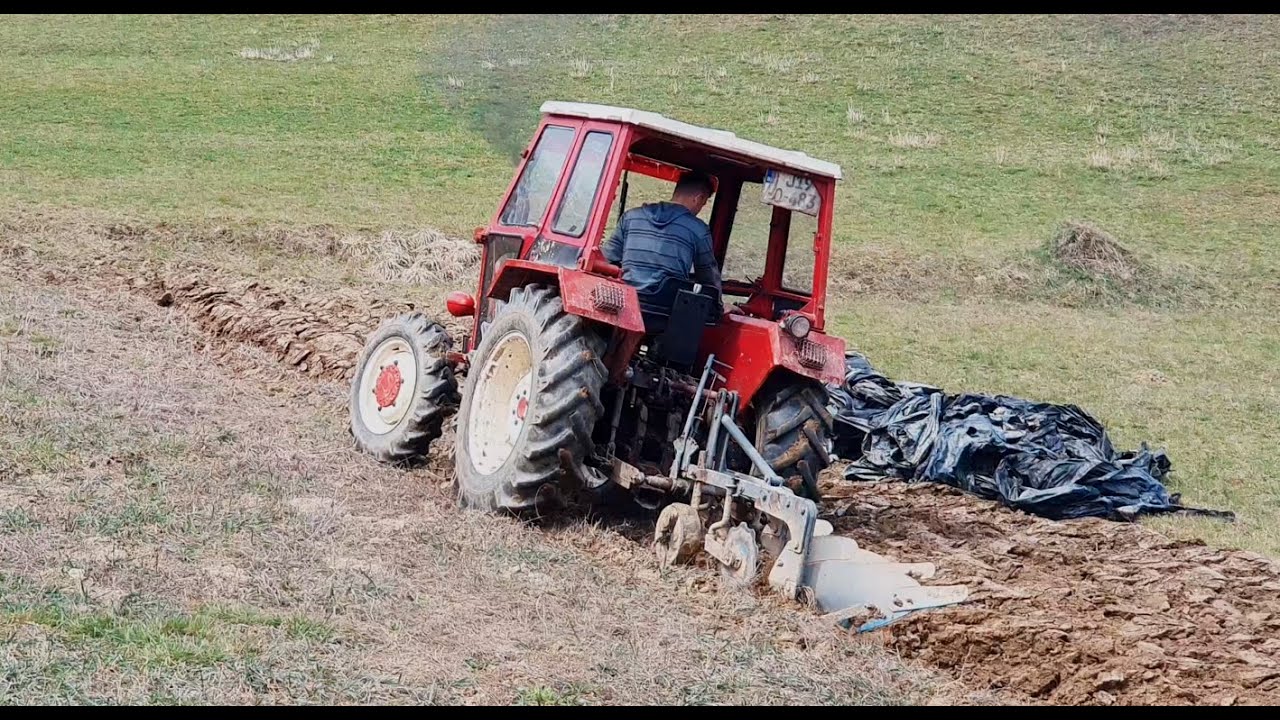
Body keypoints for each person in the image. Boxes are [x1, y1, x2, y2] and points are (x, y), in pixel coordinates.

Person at [602, 170, 723, 332]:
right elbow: (708, 275)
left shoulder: (631, 217)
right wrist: (719, 306)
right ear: (698, 197)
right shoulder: (698, 229)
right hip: (665, 313)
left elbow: (607, 258)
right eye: (704, 202)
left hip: (623, 302)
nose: (701, 207)